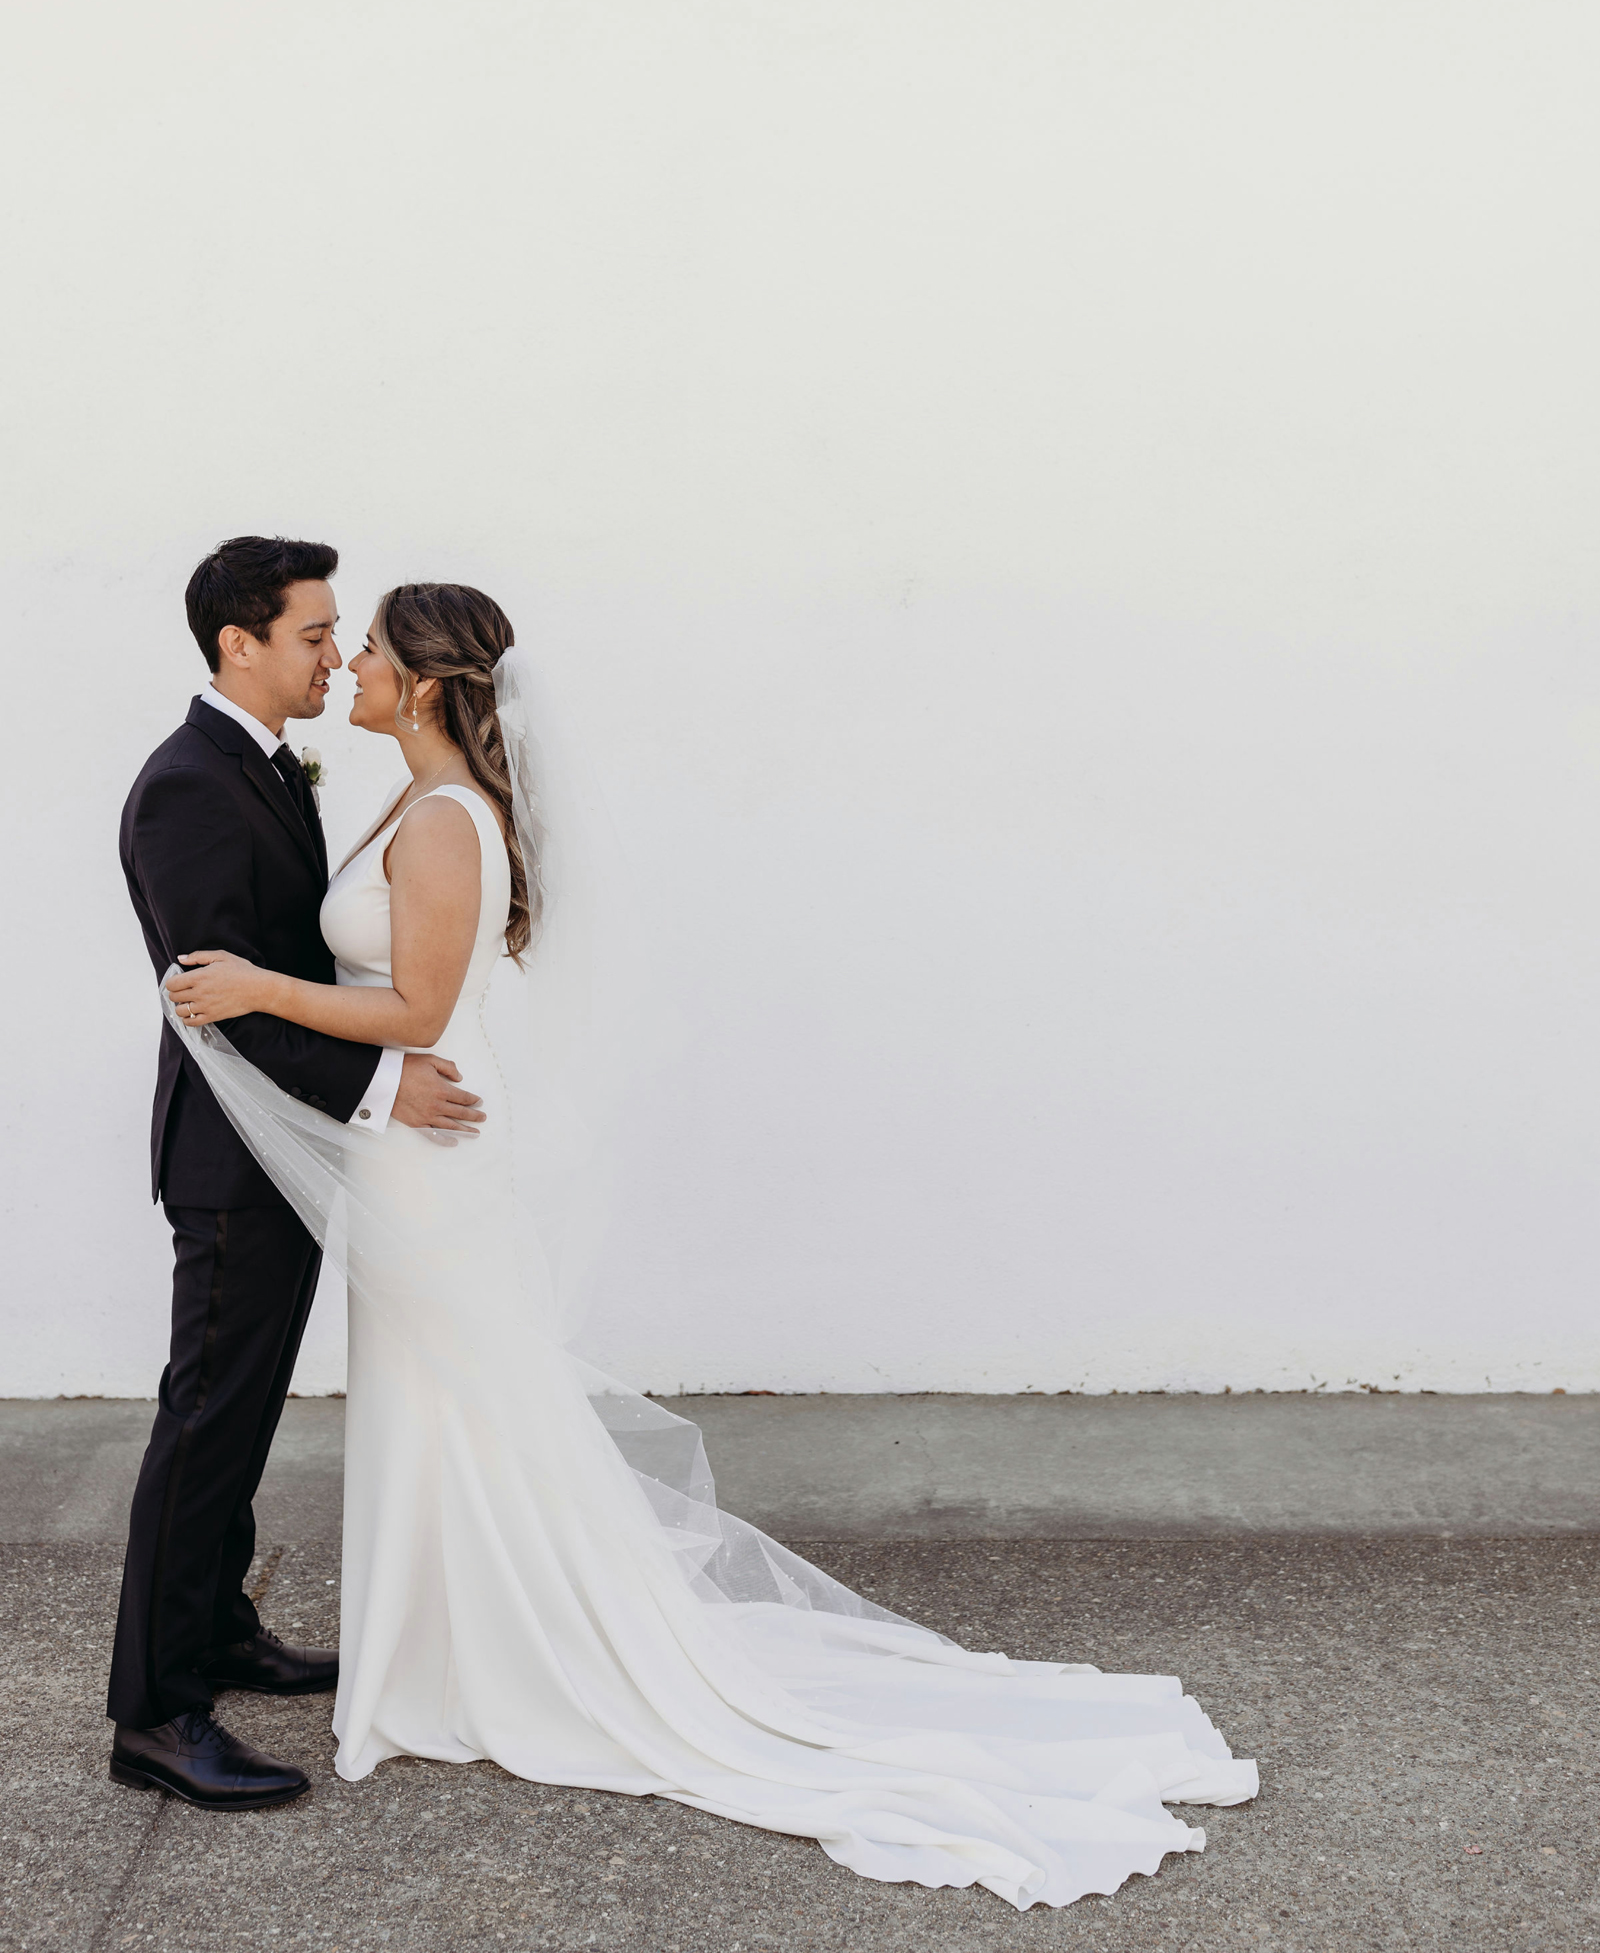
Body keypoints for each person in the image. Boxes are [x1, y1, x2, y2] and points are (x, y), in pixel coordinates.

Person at [165, 573, 1259, 1908]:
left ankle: (497, 1653)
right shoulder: (408, 794)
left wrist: (258, 986)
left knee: (473, 1403)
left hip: (435, 1152)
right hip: (409, 1149)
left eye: (374, 649)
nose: (352, 666)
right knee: (440, 1405)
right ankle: (440, 1644)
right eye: (338, 642)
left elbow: (417, 1005)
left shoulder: (446, 819)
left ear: (435, 685)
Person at [109, 539, 485, 1811]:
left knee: (246, 1411)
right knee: (205, 1421)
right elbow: (217, 999)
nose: (336, 651)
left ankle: (217, 1628)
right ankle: (156, 1712)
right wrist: (384, 1087)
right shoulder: (186, 787)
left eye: (339, 633)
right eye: (317, 632)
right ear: (240, 646)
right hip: (230, 1156)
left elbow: (291, 964)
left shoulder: (261, 762)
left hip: (288, 1144)